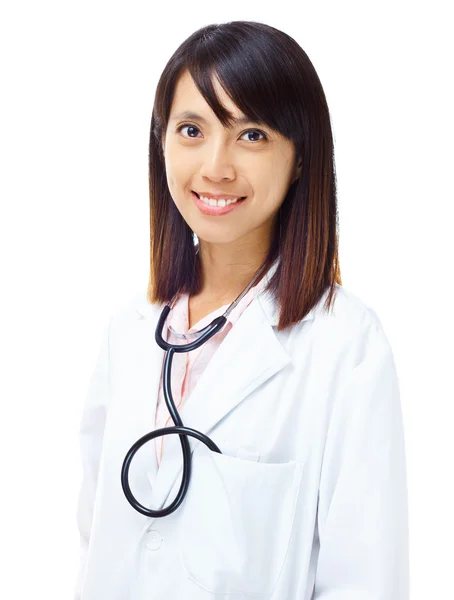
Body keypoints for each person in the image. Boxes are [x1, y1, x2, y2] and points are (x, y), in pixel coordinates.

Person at [74, 20, 409, 600]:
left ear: (300, 158)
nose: (216, 166)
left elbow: (367, 581)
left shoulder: (343, 345)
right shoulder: (128, 332)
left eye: (251, 135)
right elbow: (94, 543)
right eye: (191, 130)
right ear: (162, 144)